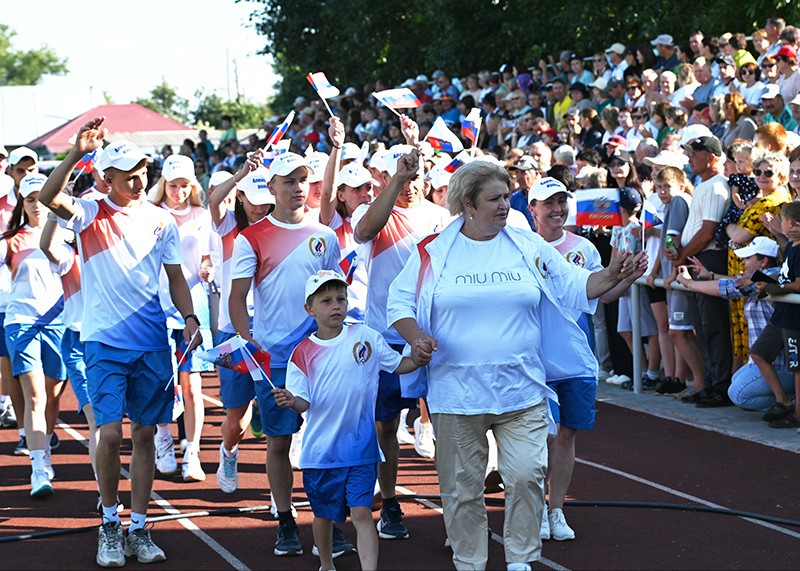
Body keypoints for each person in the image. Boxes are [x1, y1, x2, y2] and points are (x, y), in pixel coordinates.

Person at [386, 159, 645, 571]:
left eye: (508, 196)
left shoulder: (528, 245)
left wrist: (613, 273)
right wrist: (416, 336)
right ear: (468, 205)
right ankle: (470, 562)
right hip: (457, 393)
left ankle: (521, 561)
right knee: (462, 489)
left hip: (521, 388)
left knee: (526, 476)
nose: (506, 205)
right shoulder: (432, 250)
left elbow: (576, 286)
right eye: (495, 198)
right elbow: (398, 303)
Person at [39, 118, 202, 567]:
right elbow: (48, 198)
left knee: (146, 433)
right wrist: (75, 152)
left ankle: (138, 526)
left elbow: (175, 278)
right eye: (128, 171)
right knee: (109, 435)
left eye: (143, 169)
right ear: (104, 177)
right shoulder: (91, 211)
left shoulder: (161, 220)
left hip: (151, 341)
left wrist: (188, 317)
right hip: (103, 343)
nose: (139, 177)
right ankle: (110, 522)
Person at [273, 270, 429, 571]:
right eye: (327, 300)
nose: (336, 306)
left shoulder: (366, 337)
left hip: (361, 449)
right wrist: (292, 402)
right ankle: (327, 564)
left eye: (341, 299)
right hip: (321, 453)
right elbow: (303, 401)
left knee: (361, 512)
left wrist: (419, 359)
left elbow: (399, 365)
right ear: (310, 309)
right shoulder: (302, 353)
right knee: (323, 516)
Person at [229, 151, 341, 556]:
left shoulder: (325, 237)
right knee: (278, 441)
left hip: (321, 354)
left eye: (302, 180)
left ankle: (328, 519)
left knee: (325, 438)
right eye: (288, 181)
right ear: (271, 187)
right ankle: (285, 518)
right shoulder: (251, 237)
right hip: (274, 357)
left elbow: (334, 296)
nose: (297, 188)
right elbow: (237, 298)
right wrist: (249, 344)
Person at [351, 118, 451, 541]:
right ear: (388, 177)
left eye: (415, 174)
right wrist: (396, 184)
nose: (410, 183)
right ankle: (390, 502)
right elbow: (363, 231)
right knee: (385, 427)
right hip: (387, 336)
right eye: (401, 175)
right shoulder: (372, 210)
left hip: (437, 338)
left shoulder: (443, 216)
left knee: (449, 425)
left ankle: (455, 508)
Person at [528, 177, 642, 542]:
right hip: (534, 359)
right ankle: (536, 510)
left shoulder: (584, 248)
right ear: (533, 209)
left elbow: (604, 296)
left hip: (576, 358)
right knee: (542, 437)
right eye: (549, 203)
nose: (557, 210)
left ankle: (556, 509)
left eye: (562, 202)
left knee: (567, 435)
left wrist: (628, 277)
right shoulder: (520, 247)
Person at [208, 155, 273, 494]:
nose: (260, 210)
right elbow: (214, 200)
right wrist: (242, 173)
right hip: (232, 331)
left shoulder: (278, 229)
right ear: (242, 199)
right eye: (254, 203)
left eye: (266, 204)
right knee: (237, 417)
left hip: (271, 328)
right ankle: (229, 450)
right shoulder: (227, 227)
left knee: (280, 413)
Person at [148, 154, 215, 482]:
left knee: (192, 384)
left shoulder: (203, 215)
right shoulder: (152, 215)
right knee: (162, 381)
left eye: (185, 185)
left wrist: (207, 267)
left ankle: (192, 452)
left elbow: (207, 256)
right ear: (163, 184)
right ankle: (163, 438)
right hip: (157, 308)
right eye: (173, 185)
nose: (179, 191)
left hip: (194, 307)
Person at [1, 173, 67, 497]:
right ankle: (37, 468)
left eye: (42, 199)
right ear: (22, 204)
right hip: (21, 322)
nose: (37, 205)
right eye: (30, 200)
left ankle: (45, 448)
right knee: (35, 397)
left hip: (59, 323)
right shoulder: (10, 240)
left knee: (53, 398)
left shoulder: (65, 235)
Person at [674, 237, 794, 413]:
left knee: (737, 394)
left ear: (764, 261)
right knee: (737, 382)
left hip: (777, 365)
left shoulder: (764, 279)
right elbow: (735, 282)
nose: (743, 262)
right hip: (764, 363)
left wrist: (690, 283)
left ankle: (790, 400)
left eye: (748, 258)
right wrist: (710, 276)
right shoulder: (758, 278)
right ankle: (786, 398)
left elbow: (728, 287)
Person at [750, 201, 800, 428]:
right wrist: (770, 284)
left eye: (786, 221)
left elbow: (797, 283)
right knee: (759, 352)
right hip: (782, 312)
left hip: (794, 315)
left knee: (797, 366)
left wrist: (777, 288)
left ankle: (798, 414)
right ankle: (783, 401)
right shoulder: (790, 246)